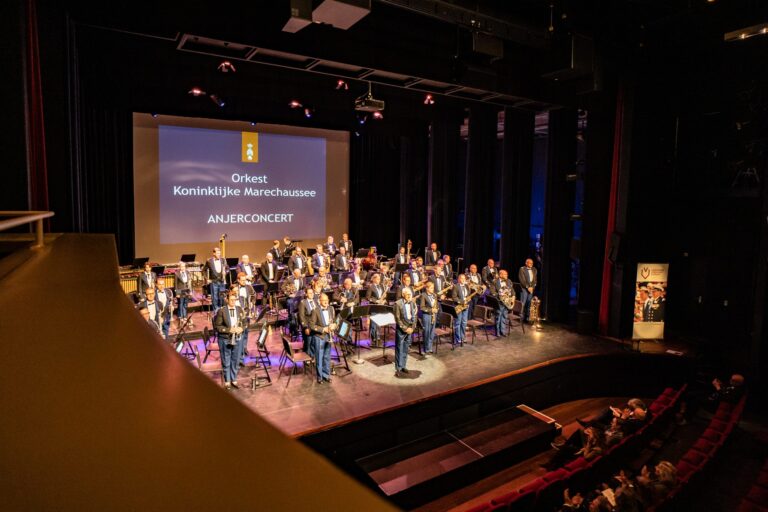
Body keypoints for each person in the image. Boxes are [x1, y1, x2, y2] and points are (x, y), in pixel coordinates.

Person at [213, 293, 246, 390]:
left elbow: (245, 322)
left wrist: (241, 328)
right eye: (231, 300)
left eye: (234, 300)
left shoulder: (239, 309)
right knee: (226, 360)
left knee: (235, 360)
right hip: (225, 339)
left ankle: (233, 378)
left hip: (237, 338)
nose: (233, 301)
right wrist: (229, 330)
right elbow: (217, 327)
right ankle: (227, 380)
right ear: (227, 300)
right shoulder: (221, 311)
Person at [309, 293, 336, 384]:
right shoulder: (315, 311)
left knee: (327, 357)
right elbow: (312, 325)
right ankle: (319, 376)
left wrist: (334, 325)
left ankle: (326, 375)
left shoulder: (331, 309)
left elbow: (334, 321)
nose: (326, 302)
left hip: (328, 336)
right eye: (324, 300)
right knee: (319, 357)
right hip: (319, 337)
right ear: (319, 301)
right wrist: (323, 329)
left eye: (327, 300)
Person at [394, 288, 417, 376]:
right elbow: (397, 319)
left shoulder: (412, 303)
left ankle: (403, 366)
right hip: (402, 329)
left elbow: (414, 317)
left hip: (410, 329)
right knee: (399, 348)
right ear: (403, 294)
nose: (409, 296)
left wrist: (412, 328)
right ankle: (398, 368)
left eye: (410, 294)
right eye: (407, 294)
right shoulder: (398, 304)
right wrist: (405, 328)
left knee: (406, 348)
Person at [490, 269, 515, 337]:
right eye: (505, 274)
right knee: (498, 317)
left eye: (507, 274)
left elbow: (512, 291)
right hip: (499, 302)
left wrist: (513, 299)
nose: (507, 275)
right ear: (500, 275)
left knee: (504, 317)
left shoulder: (509, 281)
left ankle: (503, 331)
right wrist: (500, 296)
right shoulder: (495, 281)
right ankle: (497, 332)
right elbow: (492, 292)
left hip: (507, 302)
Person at [366, 273, 387, 345]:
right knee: (373, 324)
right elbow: (368, 297)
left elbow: (384, 295)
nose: (379, 280)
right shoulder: (371, 287)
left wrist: (384, 300)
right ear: (374, 279)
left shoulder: (381, 286)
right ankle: (373, 338)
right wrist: (376, 301)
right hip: (374, 306)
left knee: (379, 322)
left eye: (379, 279)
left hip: (381, 306)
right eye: (377, 279)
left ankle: (378, 336)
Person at [419, 281, 439, 354]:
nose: (433, 289)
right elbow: (422, 307)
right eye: (431, 288)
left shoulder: (434, 295)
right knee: (426, 332)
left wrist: (436, 309)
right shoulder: (423, 295)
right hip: (426, 316)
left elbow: (436, 304)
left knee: (431, 332)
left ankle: (430, 347)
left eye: (433, 288)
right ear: (427, 288)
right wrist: (431, 310)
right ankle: (425, 348)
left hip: (433, 315)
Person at [452, 274, 470, 347]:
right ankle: (458, 338)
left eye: (464, 278)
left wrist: (468, 299)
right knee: (458, 322)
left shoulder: (466, 286)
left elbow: (468, 295)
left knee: (464, 322)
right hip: (459, 306)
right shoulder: (456, 286)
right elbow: (454, 297)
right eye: (461, 278)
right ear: (459, 279)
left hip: (465, 307)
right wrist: (462, 302)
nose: (463, 280)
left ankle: (462, 337)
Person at [298, 287, 317, 356]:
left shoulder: (316, 301)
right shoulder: (303, 303)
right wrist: (305, 327)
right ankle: (308, 359)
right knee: (308, 345)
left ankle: (315, 356)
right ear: (306, 294)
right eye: (310, 293)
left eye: (312, 293)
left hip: (316, 326)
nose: (312, 294)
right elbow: (301, 316)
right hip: (308, 326)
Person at [519, 258, 538, 322]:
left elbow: (535, 280)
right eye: (530, 263)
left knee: (529, 302)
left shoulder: (534, 269)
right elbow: (522, 280)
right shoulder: (522, 269)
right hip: (524, 288)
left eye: (532, 263)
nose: (531, 264)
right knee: (523, 303)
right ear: (526, 263)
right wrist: (528, 287)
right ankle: (521, 317)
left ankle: (527, 317)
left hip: (531, 289)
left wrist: (532, 287)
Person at [175, 261, 192, 326]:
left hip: (186, 291)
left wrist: (190, 291)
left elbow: (189, 283)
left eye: (184, 266)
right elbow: (176, 285)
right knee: (181, 304)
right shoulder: (177, 274)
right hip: (180, 291)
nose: (183, 268)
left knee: (185, 304)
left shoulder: (187, 272)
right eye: (181, 266)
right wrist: (177, 293)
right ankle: (181, 317)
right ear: (180, 267)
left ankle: (185, 316)